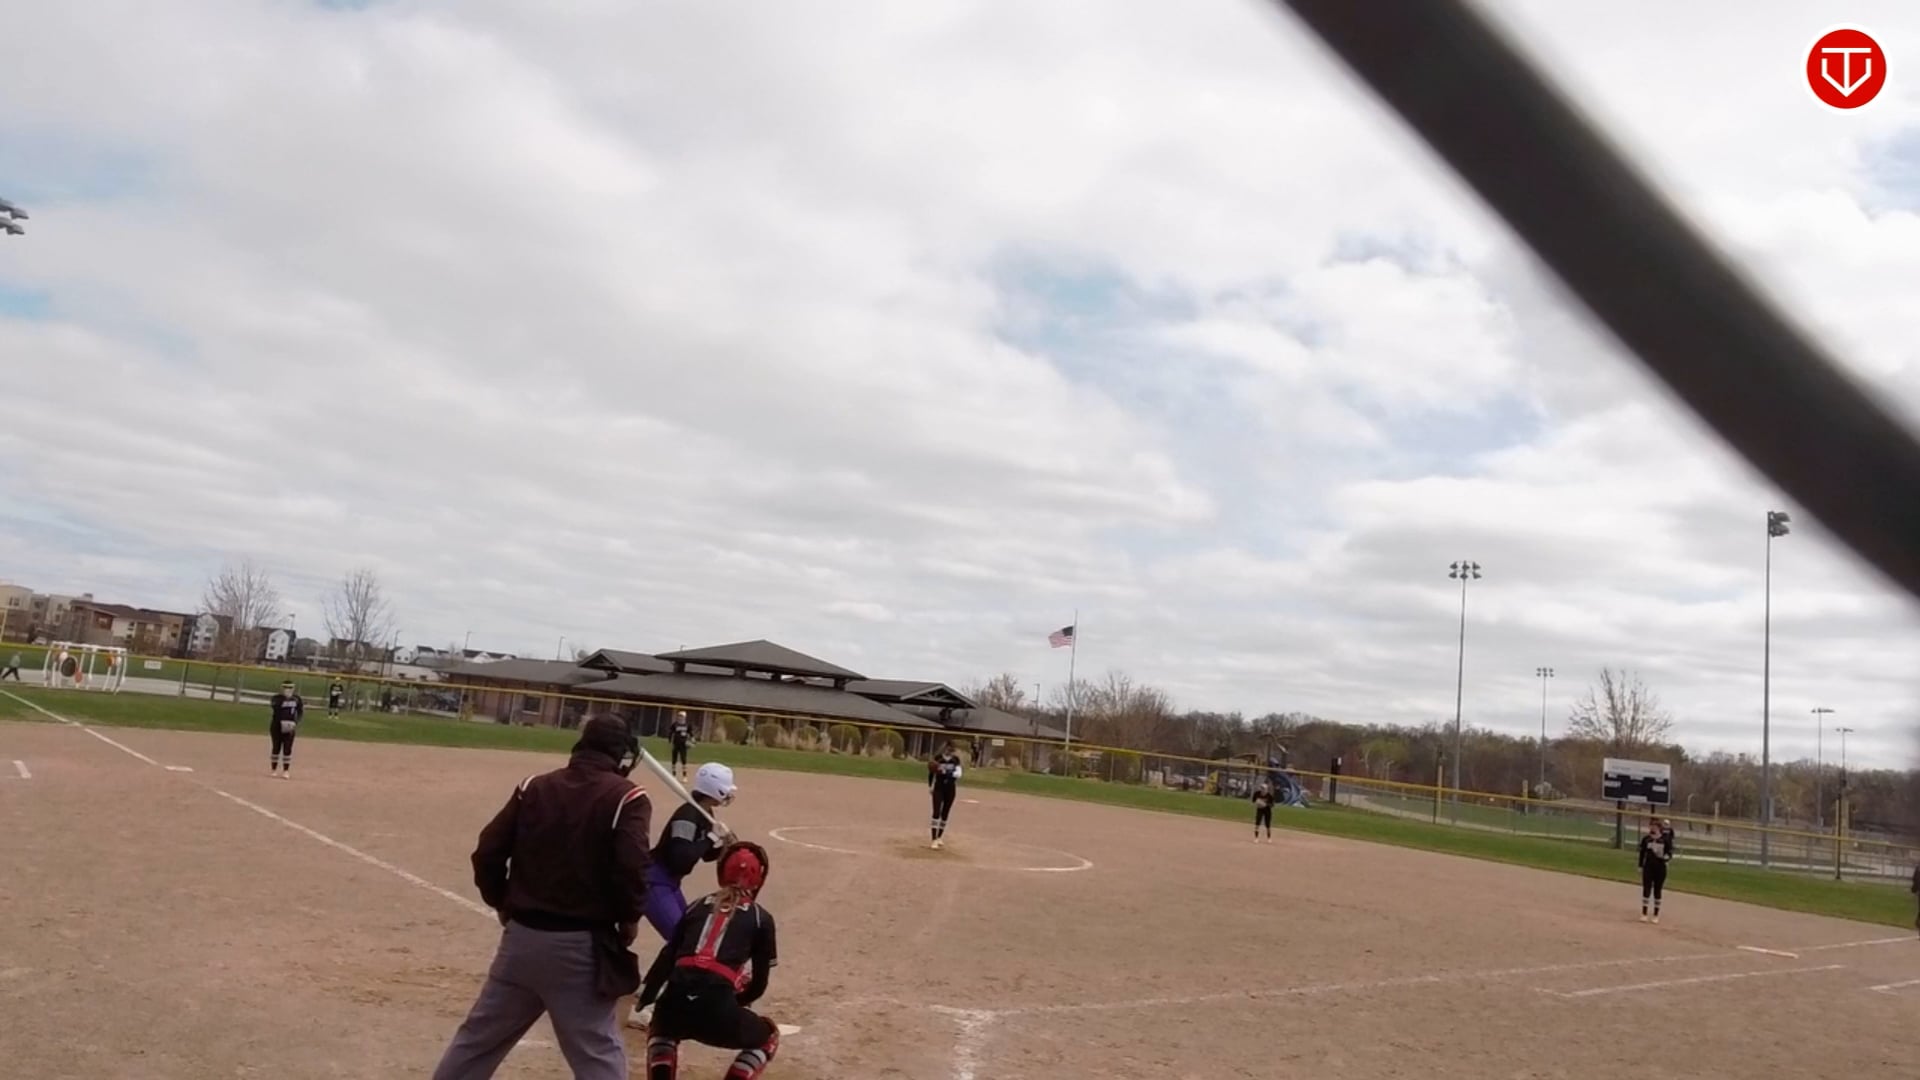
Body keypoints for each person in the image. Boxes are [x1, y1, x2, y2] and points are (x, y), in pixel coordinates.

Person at [432, 715, 654, 1080]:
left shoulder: (534, 787)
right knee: (597, 1053)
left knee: (476, 1043)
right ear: (621, 753)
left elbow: (488, 852)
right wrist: (629, 918)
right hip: (580, 947)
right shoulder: (627, 797)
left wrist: (501, 900)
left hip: (520, 942)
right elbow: (632, 868)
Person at [637, 842, 781, 1080]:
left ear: (722, 872)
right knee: (768, 1036)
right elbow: (758, 985)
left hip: (675, 1004)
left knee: (662, 1029)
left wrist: (646, 999)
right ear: (758, 880)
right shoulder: (760, 918)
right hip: (718, 1010)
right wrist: (737, 1000)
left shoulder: (695, 906)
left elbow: (666, 960)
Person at [627, 763, 739, 1030]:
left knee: (685, 936)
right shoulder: (687, 816)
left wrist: (723, 846)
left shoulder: (703, 812)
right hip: (654, 881)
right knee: (682, 943)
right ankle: (642, 1008)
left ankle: (647, 990)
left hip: (668, 883)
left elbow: (704, 854)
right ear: (716, 789)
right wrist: (710, 836)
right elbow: (680, 858)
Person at [1638, 816, 1673, 923]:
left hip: (1660, 867)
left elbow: (1669, 853)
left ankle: (1656, 914)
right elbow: (1642, 853)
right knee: (1646, 889)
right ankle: (1644, 913)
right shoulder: (1646, 839)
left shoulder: (1665, 839)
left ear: (1659, 827)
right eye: (1651, 826)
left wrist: (1665, 858)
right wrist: (1640, 866)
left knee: (1657, 890)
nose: (1652, 828)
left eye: (1654, 826)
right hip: (1648, 867)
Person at [928, 741, 963, 850]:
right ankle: (933, 839)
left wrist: (946, 772)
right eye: (948, 749)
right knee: (936, 812)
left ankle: (939, 837)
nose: (950, 751)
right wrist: (930, 785)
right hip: (939, 788)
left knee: (945, 813)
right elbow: (931, 773)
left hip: (950, 788)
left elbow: (958, 774)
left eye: (952, 750)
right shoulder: (938, 758)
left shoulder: (955, 760)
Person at [269, 680, 304, 778]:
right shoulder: (276, 698)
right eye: (285, 688)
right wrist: (285, 699)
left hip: (290, 725)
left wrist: (295, 722)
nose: (288, 690)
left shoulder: (297, 699)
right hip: (277, 725)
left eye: (290, 688)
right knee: (276, 747)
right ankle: (273, 769)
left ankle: (286, 770)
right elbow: (275, 708)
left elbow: (300, 711)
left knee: (287, 748)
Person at [667, 710, 694, 780]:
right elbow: (671, 733)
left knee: (683, 760)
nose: (680, 717)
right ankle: (673, 774)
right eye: (679, 716)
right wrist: (669, 741)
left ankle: (684, 776)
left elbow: (690, 733)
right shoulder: (675, 724)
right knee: (674, 760)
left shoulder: (687, 725)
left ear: (684, 717)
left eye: (681, 716)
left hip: (683, 745)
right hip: (676, 744)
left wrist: (692, 740)